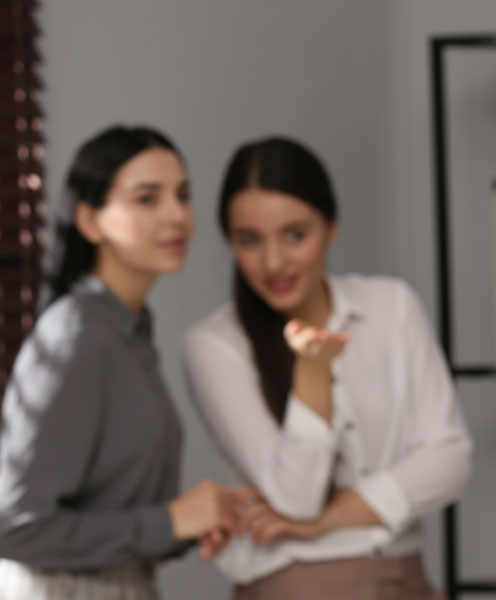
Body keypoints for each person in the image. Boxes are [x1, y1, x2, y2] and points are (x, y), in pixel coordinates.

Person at [181, 137, 471, 599]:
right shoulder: (215, 345)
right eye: (249, 240)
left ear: (331, 226)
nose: (273, 261)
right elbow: (294, 498)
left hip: (406, 579)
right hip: (296, 585)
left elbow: (451, 458)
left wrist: (329, 519)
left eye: (295, 235)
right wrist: (312, 374)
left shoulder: (392, 307)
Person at [0, 126, 243, 599]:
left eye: (182, 196)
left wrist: (188, 525)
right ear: (89, 220)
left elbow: (109, 513)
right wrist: (169, 520)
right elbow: (17, 531)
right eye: (147, 199)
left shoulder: (130, 334)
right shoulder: (74, 338)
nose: (177, 215)